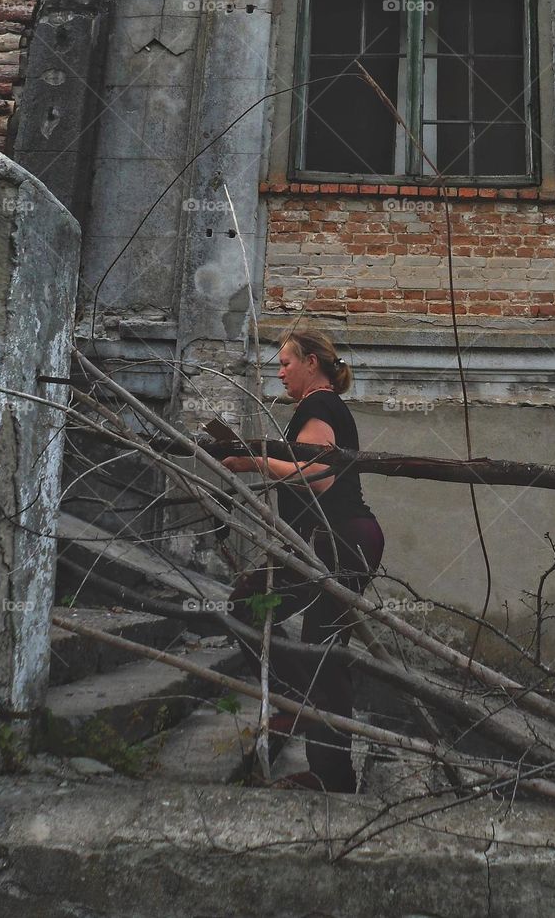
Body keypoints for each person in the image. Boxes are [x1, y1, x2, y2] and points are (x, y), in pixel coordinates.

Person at [221, 328, 384, 793]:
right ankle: (319, 750)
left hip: (339, 541)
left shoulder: (319, 406)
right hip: (335, 540)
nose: (279, 371)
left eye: (286, 362)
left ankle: (305, 724)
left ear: (311, 362)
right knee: (315, 644)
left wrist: (255, 460)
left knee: (284, 628)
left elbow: (316, 476)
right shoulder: (323, 407)